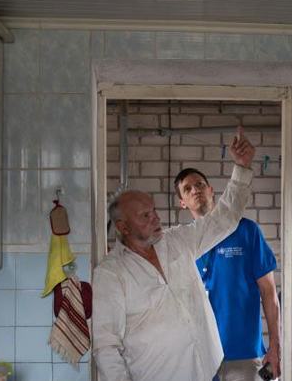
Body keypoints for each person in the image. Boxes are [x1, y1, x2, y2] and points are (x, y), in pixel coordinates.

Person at [92, 130, 256, 381]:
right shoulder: (110, 273)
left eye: (153, 211)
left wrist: (241, 167)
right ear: (123, 228)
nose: (155, 218)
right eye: (144, 216)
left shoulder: (177, 241)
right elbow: (106, 346)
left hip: (207, 369)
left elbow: (224, 219)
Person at [175, 165, 280, 381]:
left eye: (200, 185)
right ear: (182, 203)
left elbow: (269, 293)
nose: (195, 190)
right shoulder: (182, 243)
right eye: (187, 189)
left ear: (211, 190)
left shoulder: (247, 231)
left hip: (244, 355)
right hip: (200, 357)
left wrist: (275, 347)